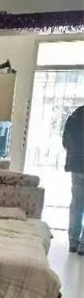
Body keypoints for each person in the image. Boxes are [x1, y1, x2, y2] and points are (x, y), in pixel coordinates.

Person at [62, 105, 84, 254]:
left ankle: (73, 241)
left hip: (76, 164)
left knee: (77, 203)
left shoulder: (75, 116)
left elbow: (65, 142)